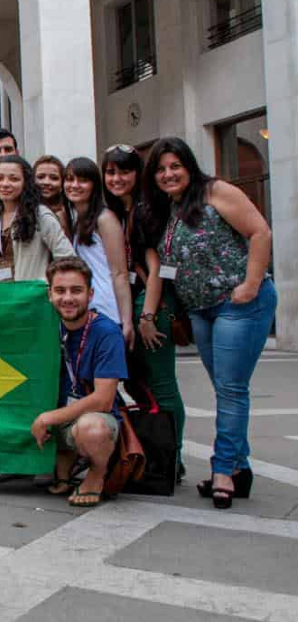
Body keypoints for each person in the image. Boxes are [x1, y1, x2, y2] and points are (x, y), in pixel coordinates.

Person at [144, 137, 275, 509]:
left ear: (189, 166)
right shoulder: (168, 209)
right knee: (225, 388)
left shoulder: (216, 191)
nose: (168, 174)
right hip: (201, 311)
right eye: (161, 169)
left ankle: (222, 470)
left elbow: (259, 232)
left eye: (175, 166)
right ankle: (240, 468)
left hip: (238, 305)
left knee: (232, 389)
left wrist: (250, 284)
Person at [103, 144, 184, 478]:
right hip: (133, 303)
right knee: (138, 383)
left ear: (138, 174)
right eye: (110, 172)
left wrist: (148, 317)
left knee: (162, 385)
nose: (117, 178)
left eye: (124, 171)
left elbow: (155, 269)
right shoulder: (119, 211)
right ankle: (158, 453)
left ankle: (172, 459)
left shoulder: (145, 210)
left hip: (151, 305)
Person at [32, 258, 127, 509]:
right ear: (49, 294)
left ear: (90, 294)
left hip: (93, 418)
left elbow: (104, 400)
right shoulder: (47, 325)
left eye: (76, 290)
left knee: (91, 429)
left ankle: (97, 473)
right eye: (60, 291)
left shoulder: (106, 332)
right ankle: (64, 463)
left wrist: (47, 418)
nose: (68, 298)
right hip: (59, 420)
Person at [64, 158, 134, 345]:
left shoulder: (105, 218)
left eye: (83, 180)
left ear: (95, 185)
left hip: (107, 312)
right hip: (86, 309)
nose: (74, 185)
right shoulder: (75, 220)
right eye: (69, 179)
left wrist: (127, 321)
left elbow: (119, 273)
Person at [0, 156, 75, 283]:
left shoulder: (41, 215)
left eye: (14, 179)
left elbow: (68, 260)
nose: (5, 184)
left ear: (26, 182)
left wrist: (42, 284)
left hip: (31, 299)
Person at [33, 155, 71, 234]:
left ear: (62, 183)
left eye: (54, 178)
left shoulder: (68, 214)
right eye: (41, 177)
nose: (46, 182)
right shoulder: (22, 210)